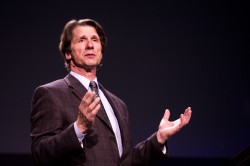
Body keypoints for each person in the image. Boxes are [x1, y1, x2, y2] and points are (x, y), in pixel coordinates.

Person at [30, 18, 192, 166]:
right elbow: (40, 154)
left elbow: (126, 161)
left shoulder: (118, 104)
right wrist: (78, 128)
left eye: (95, 39)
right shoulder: (50, 94)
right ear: (68, 53)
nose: (90, 45)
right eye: (82, 40)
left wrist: (159, 139)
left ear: (101, 50)